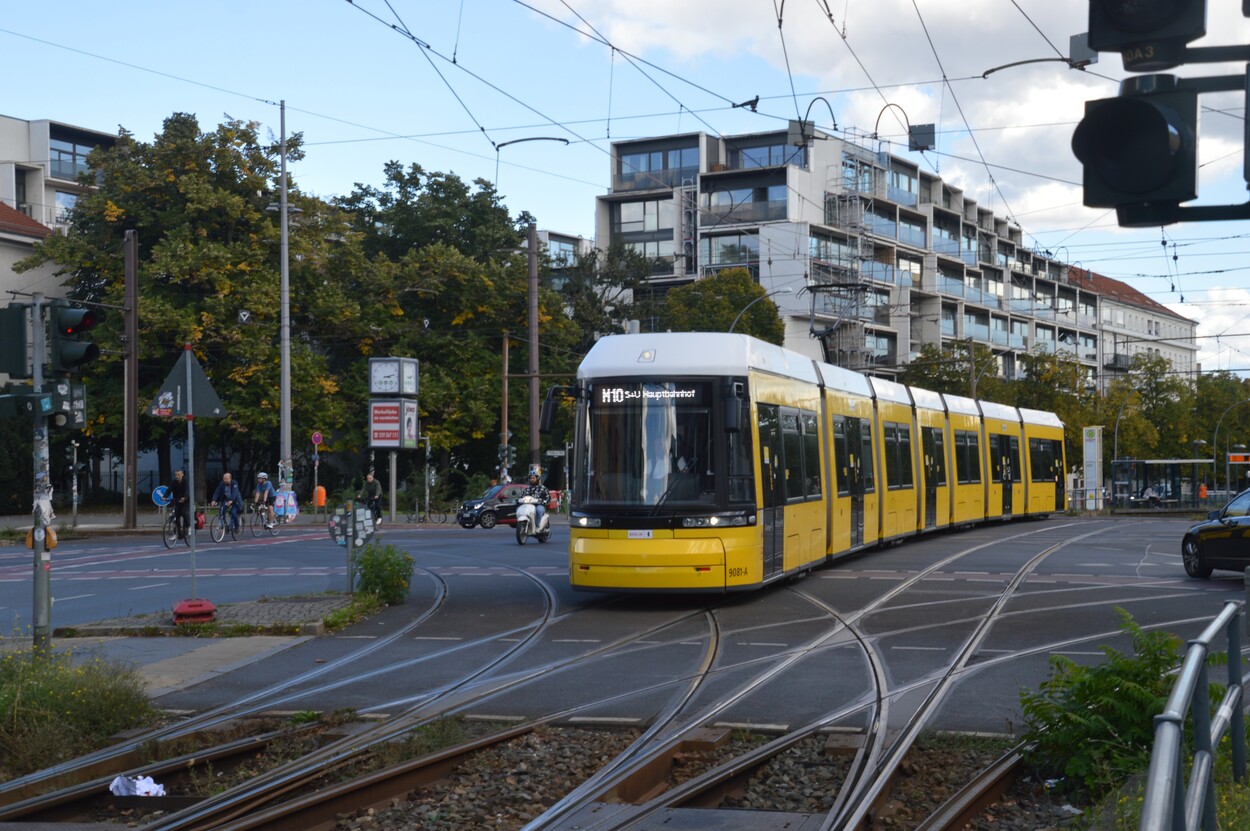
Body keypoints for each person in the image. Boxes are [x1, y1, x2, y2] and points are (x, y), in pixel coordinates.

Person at [169, 468, 190, 538]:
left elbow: (187, 490)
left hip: (186, 502)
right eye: (176, 475)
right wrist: (164, 496)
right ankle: (179, 534)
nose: (177, 476)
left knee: (184, 513)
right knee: (176, 517)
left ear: (182, 474)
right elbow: (169, 489)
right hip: (177, 501)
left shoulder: (185, 482)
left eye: (178, 475)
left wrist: (185, 497)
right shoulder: (174, 482)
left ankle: (189, 526)